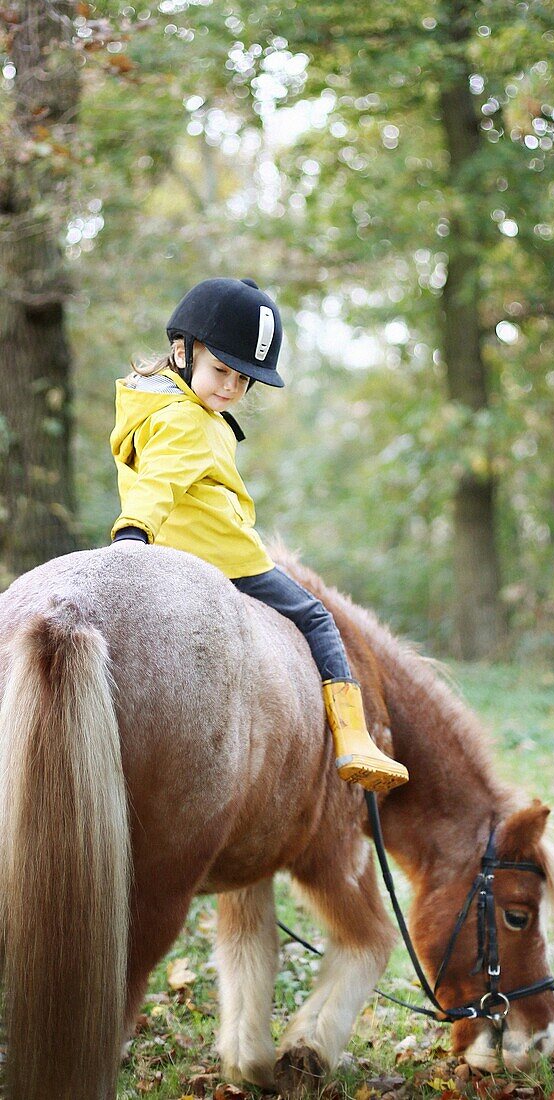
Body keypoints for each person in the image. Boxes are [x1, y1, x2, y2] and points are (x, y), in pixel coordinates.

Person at [110, 276, 409, 793]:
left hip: (170, 553)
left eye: (242, 380)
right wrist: (131, 533)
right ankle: (356, 739)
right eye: (220, 370)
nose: (229, 388)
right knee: (317, 616)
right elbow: (159, 483)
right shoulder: (189, 422)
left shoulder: (151, 408)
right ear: (182, 351)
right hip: (228, 561)